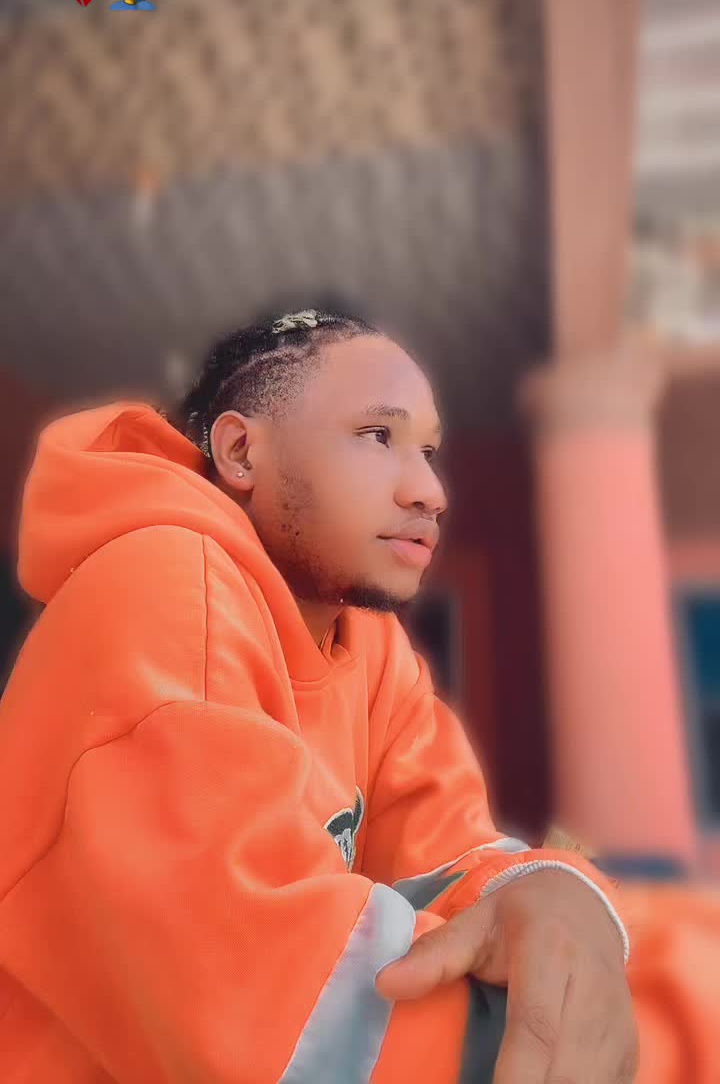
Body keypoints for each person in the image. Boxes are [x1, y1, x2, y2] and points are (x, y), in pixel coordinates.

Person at [0, 306, 637, 1083]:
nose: (431, 491)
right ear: (241, 452)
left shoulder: (366, 641)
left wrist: (556, 895)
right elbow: (259, 1007)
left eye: (428, 451)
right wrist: (575, 1020)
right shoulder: (162, 592)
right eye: (378, 435)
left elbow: (450, 853)